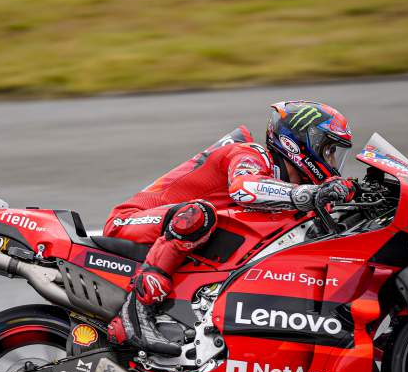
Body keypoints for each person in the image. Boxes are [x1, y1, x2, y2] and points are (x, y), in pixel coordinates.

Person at [105, 101, 358, 356]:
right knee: (198, 215)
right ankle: (136, 310)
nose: (333, 161)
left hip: (175, 235)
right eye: (328, 150)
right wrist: (311, 193)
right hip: (132, 219)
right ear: (299, 143)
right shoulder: (250, 154)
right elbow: (244, 188)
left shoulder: (292, 190)